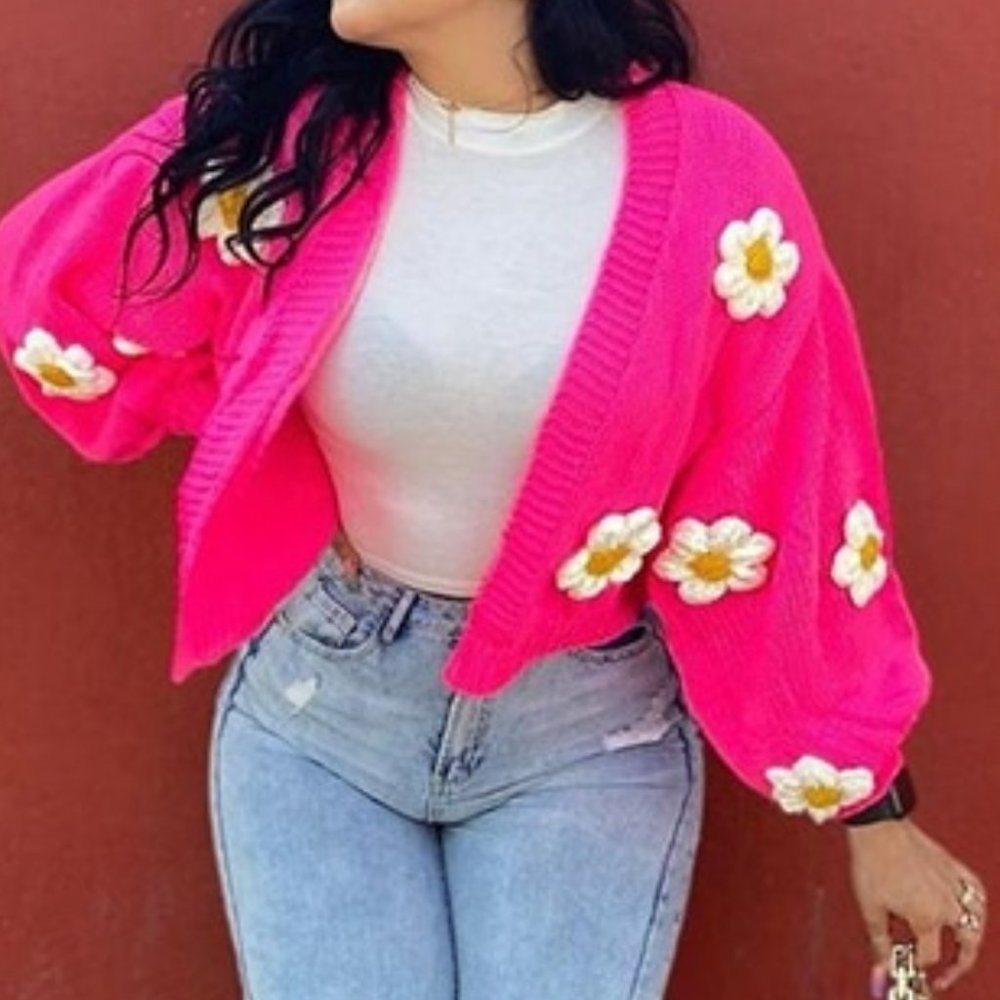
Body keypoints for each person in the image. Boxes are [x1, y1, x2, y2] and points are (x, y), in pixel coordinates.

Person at [0, 0, 988, 997]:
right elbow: (56, 282)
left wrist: (872, 808)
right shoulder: (293, 141)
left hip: (586, 737)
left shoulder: (717, 178)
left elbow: (790, 482)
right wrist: (266, 425)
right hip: (323, 712)